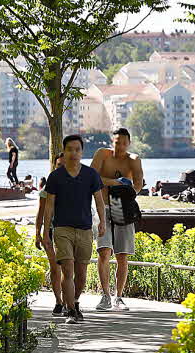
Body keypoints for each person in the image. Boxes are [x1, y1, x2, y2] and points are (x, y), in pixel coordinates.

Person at [42, 135, 106, 324]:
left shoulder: (90, 174)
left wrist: (102, 222)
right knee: (67, 270)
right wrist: (46, 231)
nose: (73, 153)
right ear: (64, 150)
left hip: (85, 229)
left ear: (81, 152)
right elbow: (49, 206)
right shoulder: (56, 176)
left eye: (77, 149)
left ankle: (75, 301)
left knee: (81, 274)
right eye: (70, 149)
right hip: (62, 229)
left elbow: (99, 201)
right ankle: (70, 310)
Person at [90, 128, 143, 312]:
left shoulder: (134, 160)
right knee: (104, 252)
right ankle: (105, 295)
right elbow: (91, 177)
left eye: (123, 142)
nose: (119, 146)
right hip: (102, 207)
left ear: (129, 143)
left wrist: (126, 189)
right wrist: (116, 182)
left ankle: (118, 296)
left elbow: (137, 185)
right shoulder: (102, 155)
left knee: (122, 255)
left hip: (123, 208)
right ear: (111, 142)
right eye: (116, 142)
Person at [35, 153, 65, 317]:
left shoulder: (73, 186)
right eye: (58, 165)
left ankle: (70, 301)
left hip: (69, 230)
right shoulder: (46, 190)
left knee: (69, 268)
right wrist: (38, 233)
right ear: (54, 166)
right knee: (55, 268)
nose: (61, 168)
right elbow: (40, 213)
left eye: (63, 165)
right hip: (51, 231)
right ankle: (58, 301)